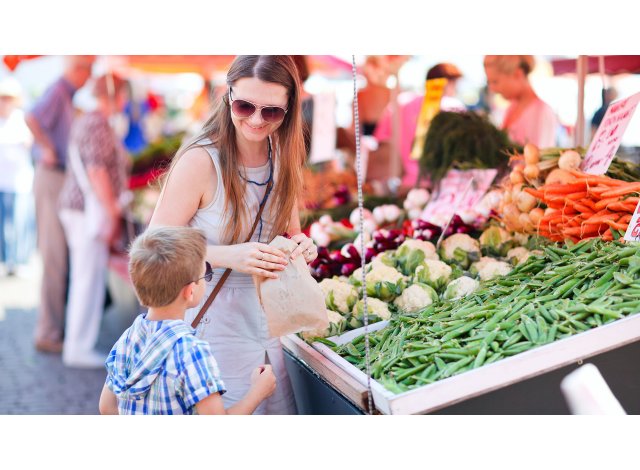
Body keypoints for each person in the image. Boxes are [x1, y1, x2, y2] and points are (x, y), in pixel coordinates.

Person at [149, 55, 317, 414]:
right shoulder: (200, 160)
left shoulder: (283, 157)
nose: (256, 120)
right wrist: (228, 255)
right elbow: (154, 241)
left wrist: (301, 245)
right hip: (213, 325)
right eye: (244, 106)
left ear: (288, 110)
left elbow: (291, 232)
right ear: (228, 97)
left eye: (271, 112)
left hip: (275, 323)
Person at [98, 226, 276, 415]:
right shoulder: (192, 352)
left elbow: (107, 407)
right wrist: (258, 392)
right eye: (205, 273)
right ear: (190, 291)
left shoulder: (127, 339)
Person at [57, 74, 130, 368]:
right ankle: (78, 347)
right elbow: (97, 171)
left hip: (80, 209)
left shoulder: (90, 120)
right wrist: (113, 212)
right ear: (118, 95)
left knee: (86, 278)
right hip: (88, 211)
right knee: (87, 280)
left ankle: (79, 343)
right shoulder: (98, 123)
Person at [25, 55, 95, 354]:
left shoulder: (68, 94)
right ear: (79, 70)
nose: (90, 78)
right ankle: (48, 332)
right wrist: (48, 147)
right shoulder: (59, 89)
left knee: (60, 258)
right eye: (88, 71)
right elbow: (31, 117)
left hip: (57, 178)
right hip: (51, 176)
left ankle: (56, 329)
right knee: (54, 258)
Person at [370, 62, 465, 191]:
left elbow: (381, 141)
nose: (455, 91)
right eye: (455, 86)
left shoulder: (399, 103)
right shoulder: (452, 107)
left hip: (404, 184)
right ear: (447, 83)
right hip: (441, 187)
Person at [483, 55, 558, 148]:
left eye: (495, 81)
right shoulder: (511, 107)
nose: (492, 89)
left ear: (518, 74)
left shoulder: (542, 111)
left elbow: (539, 158)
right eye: (489, 82)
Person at [0, 77, 34, 276]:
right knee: (4, 224)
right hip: (2, 182)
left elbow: (29, 142)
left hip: (19, 181)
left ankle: (19, 260)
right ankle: (6, 260)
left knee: (20, 222)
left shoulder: (20, 119)